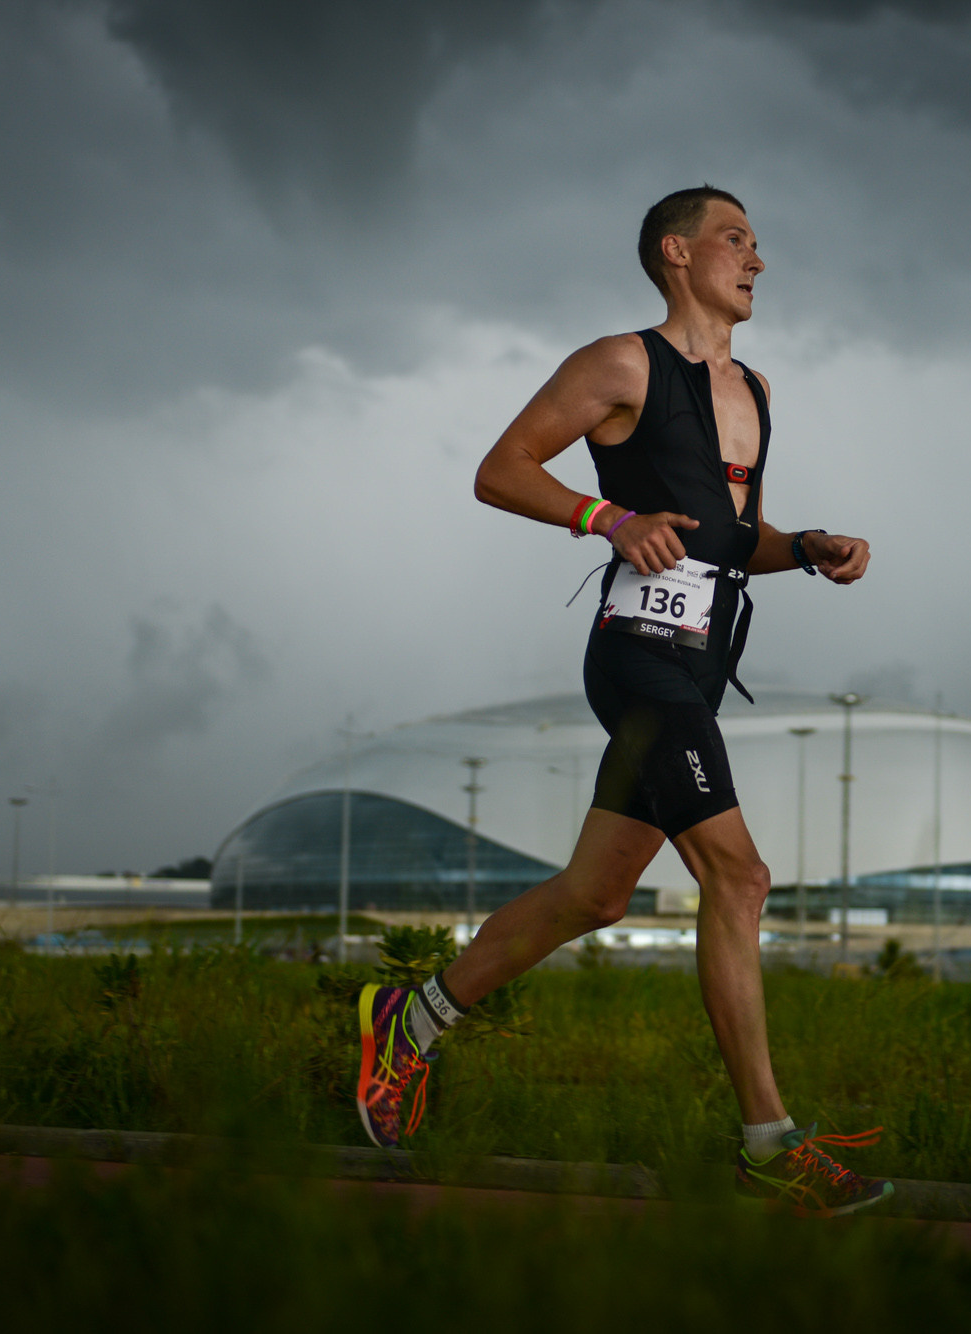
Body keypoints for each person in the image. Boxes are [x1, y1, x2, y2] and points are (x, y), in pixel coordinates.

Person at [353, 186, 887, 1217]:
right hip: (635, 655)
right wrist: (604, 514)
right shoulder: (617, 363)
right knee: (739, 875)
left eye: (758, 244)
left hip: (697, 664)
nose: (757, 261)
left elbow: (737, 540)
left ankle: (405, 1023)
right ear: (675, 252)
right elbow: (499, 470)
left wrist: (806, 549)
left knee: (594, 895)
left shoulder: (755, 388)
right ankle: (768, 1142)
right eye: (738, 239)